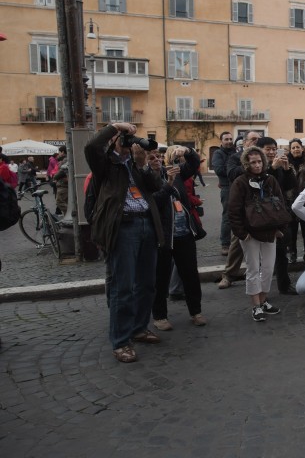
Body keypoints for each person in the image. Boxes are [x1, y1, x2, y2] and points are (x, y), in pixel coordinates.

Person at [84, 122, 165, 364]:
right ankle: (121, 341)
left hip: (147, 224)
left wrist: (145, 166)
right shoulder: (105, 164)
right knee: (123, 287)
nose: (128, 143)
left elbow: (156, 186)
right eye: (124, 139)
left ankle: (139, 328)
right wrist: (114, 128)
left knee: (147, 284)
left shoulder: (136, 164)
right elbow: (91, 147)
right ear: (114, 141)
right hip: (123, 227)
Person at [149, 146, 207, 331]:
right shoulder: (146, 178)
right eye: (152, 158)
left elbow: (194, 163)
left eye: (159, 157)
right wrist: (168, 184)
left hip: (184, 233)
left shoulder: (176, 172)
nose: (157, 160)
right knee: (160, 278)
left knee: (190, 275)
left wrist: (187, 151)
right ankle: (159, 316)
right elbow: (154, 202)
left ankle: (196, 312)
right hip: (163, 236)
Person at [228, 146, 285, 322]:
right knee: (253, 269)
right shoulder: (240, 182)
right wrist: (241, 233)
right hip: (250, 233)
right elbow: (233, 210)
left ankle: (263, 300)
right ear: (247, 164)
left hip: (269, 231)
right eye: (253, 162)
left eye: (259, 161)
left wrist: (279, 228)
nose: (257, 165)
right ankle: (256, 306)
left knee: (268, 268)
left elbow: (280, 204)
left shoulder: (270, 180)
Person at [218, 131, 261, 289]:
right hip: (243, 205)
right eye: (253, 139)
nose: (256, 142)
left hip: (261, 206)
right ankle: (229, 275)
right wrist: (249, 164)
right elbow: (231, 174)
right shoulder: (235, 158)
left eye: (258, 139)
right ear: (245, 142)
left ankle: (261, 274)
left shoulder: (263, 158)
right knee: (237, 241)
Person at [257, 136, 298, 295]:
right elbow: (262, 185)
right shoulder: (257, 166)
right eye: (268, 149)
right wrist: (272, 168)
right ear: (260, 150)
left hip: (279, 213)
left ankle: (284, 285)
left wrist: (286, 169)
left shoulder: (280, 166)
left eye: (274, 149)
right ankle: (260, 289)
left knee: (282, 251)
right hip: (262, 215)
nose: (272, 152)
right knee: (262, 255)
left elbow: (290, 186)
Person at [211, 131, 236, 256]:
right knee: (227, 216)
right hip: (227, 187)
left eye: (231, 139)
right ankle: (225, 244)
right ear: (221, 141)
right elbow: (219, 170)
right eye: (226, 139)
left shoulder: (235, 151)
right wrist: (233, 167)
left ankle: (239, 242)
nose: (229, 141)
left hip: (238, 185)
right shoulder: (218, 153)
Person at [285, 138, 305, 263]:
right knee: (291, 229)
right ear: (290, 150)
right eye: (293, 147)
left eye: (298, 147)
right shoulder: (285, 161)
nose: (296, 149)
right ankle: (292, 252)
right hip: (290, 198)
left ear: (302, 148)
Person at [53, 150, 68, 216]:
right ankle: (67, 216)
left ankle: (70, 214)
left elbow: (61, 172)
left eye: (59, 152)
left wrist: (55, 177)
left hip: (63, 185)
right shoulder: (65, 160)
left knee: (59, 202)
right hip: (63, 184)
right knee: (66, 201)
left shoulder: (65, 161)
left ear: (63, 152)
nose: (58, 154)